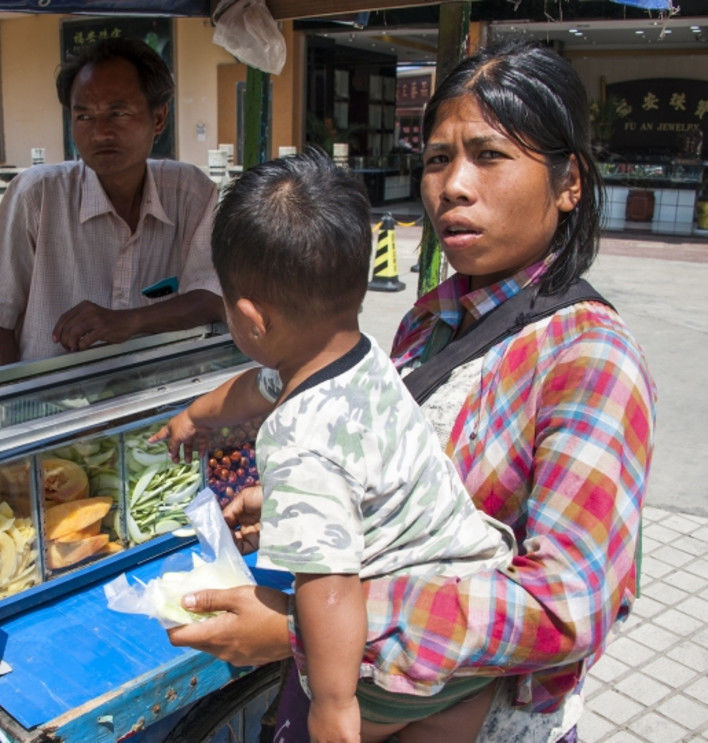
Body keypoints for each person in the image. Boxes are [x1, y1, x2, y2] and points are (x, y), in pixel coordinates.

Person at [162, 40, 656, 742]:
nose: (452, 185)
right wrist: (298, 500)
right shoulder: (432, 319)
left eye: (488, 156)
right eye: (436, 159)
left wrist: (311, 625)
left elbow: (567, 606)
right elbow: (401, 470)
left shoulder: (589, 357)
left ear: (568, 180)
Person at [154, 148, 519, 743]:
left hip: (395, 662)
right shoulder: (358, 355)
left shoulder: (297, 441)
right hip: (470, 618)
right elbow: (256, 387)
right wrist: (196, 416)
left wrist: (332, 708)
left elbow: (329, 592)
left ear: (249, 317)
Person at [0, 38, 223, 367]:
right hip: (50, 402)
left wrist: (129, 321)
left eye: (118, 113)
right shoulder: (37, 195)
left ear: (158, 119)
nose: (100, 133)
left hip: (154, 396)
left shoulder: (189, 192)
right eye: (84, 117)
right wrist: (10, 405)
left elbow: (213, 297)